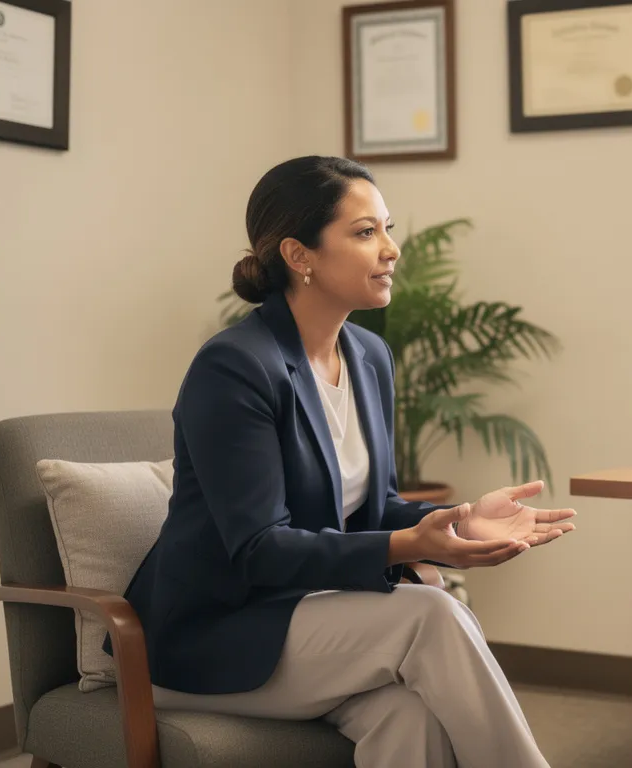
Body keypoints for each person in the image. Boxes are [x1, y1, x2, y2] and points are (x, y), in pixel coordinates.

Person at [115, 156, 575, 767]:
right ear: (298, 256)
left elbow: (373, 505)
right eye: (365, 232)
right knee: (431, 614)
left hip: (310, 620)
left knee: (407, 718)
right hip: (214, 634)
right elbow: (258, 548)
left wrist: (459, 519)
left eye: (387, 228)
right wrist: (407, 546)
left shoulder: (368, 355)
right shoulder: (234, 367)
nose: (391, 249)